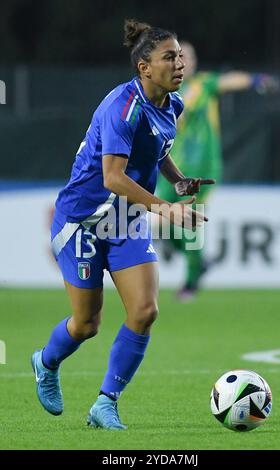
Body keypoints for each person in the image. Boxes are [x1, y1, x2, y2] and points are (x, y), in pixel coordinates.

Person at [31, 20, 215, 430]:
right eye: (170, 57)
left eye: (180, 55)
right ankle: (45, 362)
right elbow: (113, 177)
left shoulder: (174, 104)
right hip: (83, 220)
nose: (180, 63)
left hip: (126, 219)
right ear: (144, 67)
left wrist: (178, 180)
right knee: (86, 324)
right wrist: (166, 209)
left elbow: (156, 151)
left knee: (145, 310)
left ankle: (105, 403)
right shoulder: (123, 106)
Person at [157, 41, 279, 302]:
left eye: (189, 55)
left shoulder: (203, 85)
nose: (184, 61)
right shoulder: (163, 92)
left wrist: (256, 79)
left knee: (190, 222)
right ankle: (198, 261)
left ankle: (190, 282)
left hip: (201, 169)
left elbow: (229, 81)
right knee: (160, 222)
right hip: (171, 168)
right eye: (178, 56)